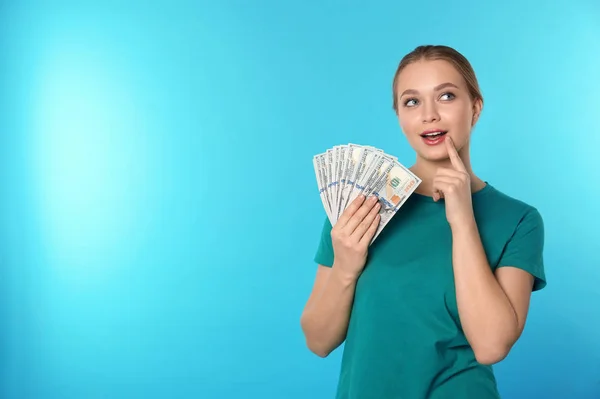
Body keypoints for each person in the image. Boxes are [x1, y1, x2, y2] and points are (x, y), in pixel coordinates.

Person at [300, 44, 547, 399]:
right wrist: (345, 267)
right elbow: (318, 340)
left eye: (446, 96)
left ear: (475, 108)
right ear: (399, 115)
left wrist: (463, 220)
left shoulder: (519, 220)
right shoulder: (356, 205)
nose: (429, 115)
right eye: (412, 102)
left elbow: (491, 345)